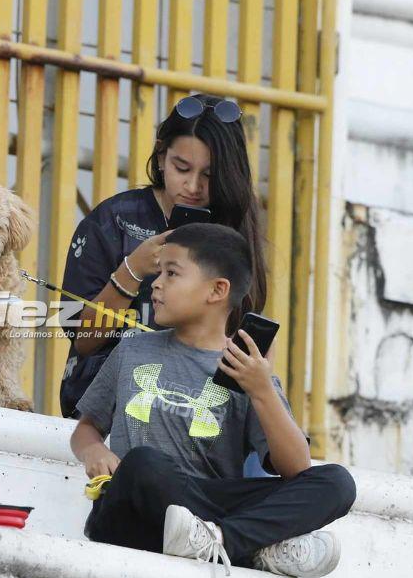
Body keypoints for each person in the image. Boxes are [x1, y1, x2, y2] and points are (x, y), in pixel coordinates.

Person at [69, 223, 356, 577]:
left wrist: (261, 389)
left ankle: (222, 540)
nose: (156, 284)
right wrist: (93, 451)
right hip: (134, 511)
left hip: (208, 509)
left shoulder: (247, 368)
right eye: (158, 273)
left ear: (217, 290)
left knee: (337, 483)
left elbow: (296, 468)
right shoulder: (132, 350)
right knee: (144, 465)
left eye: (172, 273)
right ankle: (253, 549)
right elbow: (85, 429)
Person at [59, 94, 267, 420]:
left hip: (200, 411)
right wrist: (133, 269)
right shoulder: (115, 220)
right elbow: (83, 339)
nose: (193, 186)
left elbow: (241, 337)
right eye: (181, 167)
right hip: (109, 405)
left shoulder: (236, 230)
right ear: (160, 156)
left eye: (210, 175)